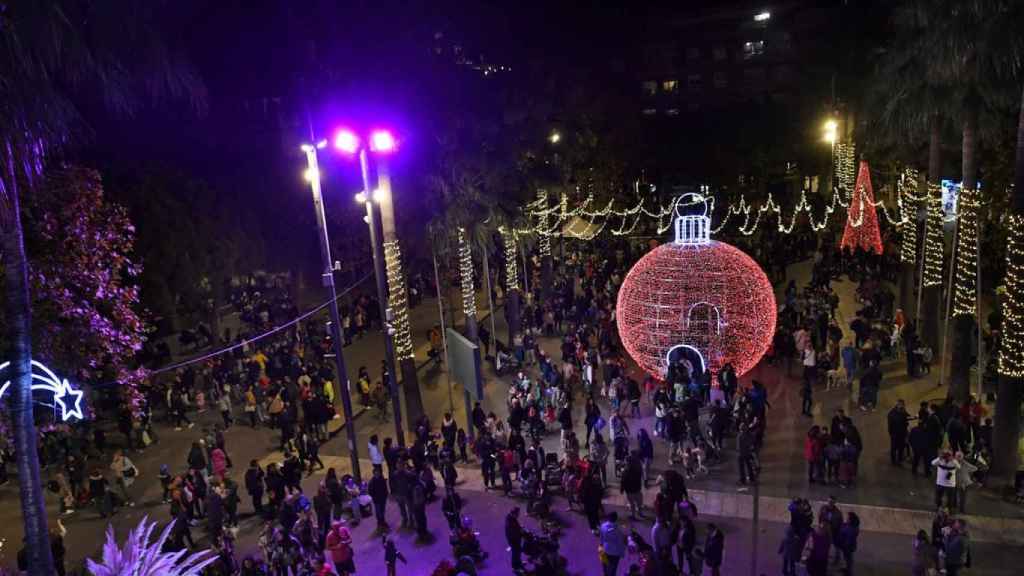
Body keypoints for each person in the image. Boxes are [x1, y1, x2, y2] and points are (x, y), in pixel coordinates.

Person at [600, 511, 626, 576]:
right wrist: (622, 553)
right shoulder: (619, 530)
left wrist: (601, 547)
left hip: (604, 549)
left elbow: (601, 537)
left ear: (608, 518)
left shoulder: (603, 525)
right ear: (616, 518)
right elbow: (621, 542)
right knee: (613, 569)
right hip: (615, 553)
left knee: (605, 567)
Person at [887, 400, 910, 465]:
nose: (903, 406)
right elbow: (890, 425)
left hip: (902, 433)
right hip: (895, 434)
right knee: (894, 448)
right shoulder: (892, 413)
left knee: (901, 447)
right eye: (902, 405)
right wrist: (891, 434)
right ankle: (893, 461)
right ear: (899, 405)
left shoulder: (902, 411)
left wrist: (912, 417)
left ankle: (900, 459)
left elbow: (907, 416)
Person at [369, 466, 390, 533]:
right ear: (374, 473)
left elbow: (385, 488)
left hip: (382, 499)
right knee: (378, 512)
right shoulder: (372, 482)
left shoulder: (382, 479)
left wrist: (386, 495)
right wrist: (374, 497)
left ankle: (382, 522)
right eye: (376, 473)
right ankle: (380, 523)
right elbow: (370, 491)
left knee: (382, 511)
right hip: (377, 500)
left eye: (378, 473)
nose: (377, 474)